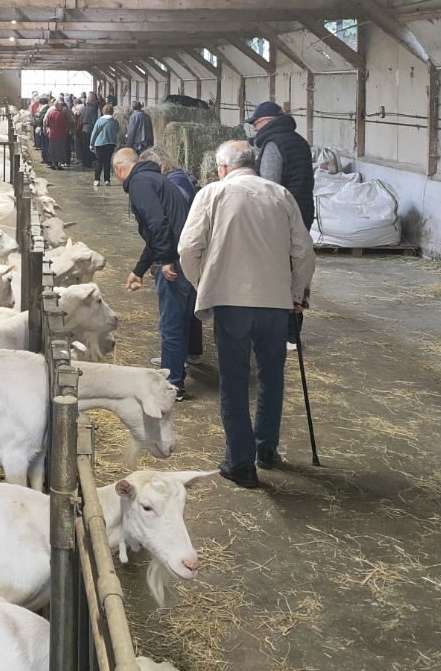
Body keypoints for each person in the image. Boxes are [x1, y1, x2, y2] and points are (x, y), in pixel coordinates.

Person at [178, 140, 316, 488]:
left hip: (231, 301)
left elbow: (187, 248)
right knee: (271, 376)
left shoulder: (213, 194)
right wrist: (296, 293)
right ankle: (266, 448)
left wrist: (204, 283)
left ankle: (241, 463)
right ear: (252, 164)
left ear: (222, 168)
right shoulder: (280, 196)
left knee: (235, 381)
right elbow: (304, 253)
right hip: (274, 301)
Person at [113, 146, 195, 401]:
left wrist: (167, 260)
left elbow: (158, 223)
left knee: (171, 321)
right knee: (178, 319)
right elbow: (154, 230)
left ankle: (173, 385)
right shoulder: (155, 179)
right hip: (186, 254)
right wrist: (138, 270)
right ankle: (174, 371)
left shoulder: (139, 182)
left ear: (119, 168)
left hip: (177, 258)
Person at [138, 146, 204, 363]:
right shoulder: (186, 178)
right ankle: (192, 351)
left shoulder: (171, 185)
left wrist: (159, 259)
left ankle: (173, 366)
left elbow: (164, 224)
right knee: (191, 304)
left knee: (173, 313)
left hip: (178, 253)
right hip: (196, 250)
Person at [244, 100, 314, 231]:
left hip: (282, 216)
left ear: (267, 120)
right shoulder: (299, 140)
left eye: (255, 123)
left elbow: (268, 186)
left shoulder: (274, 144)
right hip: (303, 209)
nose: (254, 128)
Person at [89, 103, 120, 186]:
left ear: (103, 111)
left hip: (100, 143)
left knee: (99, 162)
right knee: (107, 162)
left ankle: (97, 180)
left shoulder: (99, 121)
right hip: (111, 143)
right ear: (112, 112)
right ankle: (107, 180)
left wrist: (91, 144)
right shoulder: (115, 122)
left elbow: (94, 133)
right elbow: (117, 131)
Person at [43, 98, 73, 170]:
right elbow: (66, 124)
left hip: (52, 134)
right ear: (59, 106)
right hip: (61, 134)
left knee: (53, 149)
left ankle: (53, 164)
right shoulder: (62, 114)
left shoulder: (51, 114)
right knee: (60, 149)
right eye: (61, 106)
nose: (62, 107)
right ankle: (59, 165)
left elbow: (48, 124)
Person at [78, 94, 101, 172]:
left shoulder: (83, 108)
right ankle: (90, 162)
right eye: (94, 100)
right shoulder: (93, 109)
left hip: (84, 128)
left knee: (85, 146)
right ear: (92, 101)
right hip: (91, 129)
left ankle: (85, 162)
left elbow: (80, 119)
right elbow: (95, 120)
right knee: (91, 146)